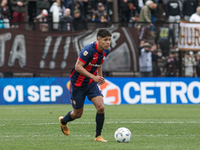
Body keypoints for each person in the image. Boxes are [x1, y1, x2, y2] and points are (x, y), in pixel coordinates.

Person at [58, 28, 112, 142]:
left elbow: (100, 62)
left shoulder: (106, 50)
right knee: (77, 114)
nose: (108, 42)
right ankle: (63, 121)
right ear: (98, 39)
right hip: (78, 84)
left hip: (91, 83)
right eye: (105, 40)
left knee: (101, 108)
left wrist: (100, 75)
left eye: (109, 40)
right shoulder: (88, 50)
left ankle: (98, 136)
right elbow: (78, 66)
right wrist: (94, 77)